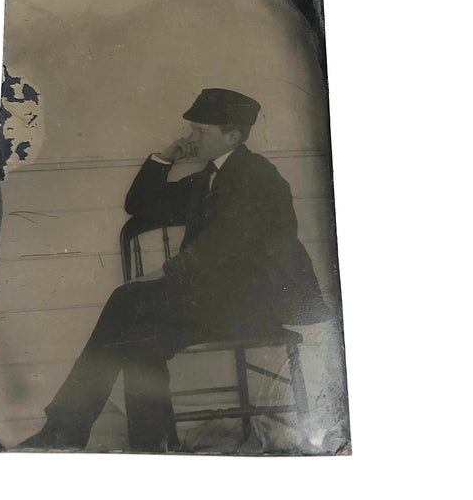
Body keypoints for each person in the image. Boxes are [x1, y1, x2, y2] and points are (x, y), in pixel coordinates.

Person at [18, 88, 330, 452]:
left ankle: (66, 429)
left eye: (200, 131)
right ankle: (152, 447)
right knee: (139, 340)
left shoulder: (258, 176)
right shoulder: (209, 177)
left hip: (259, 303)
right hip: (220, 300)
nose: (190, 137)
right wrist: (163, 159)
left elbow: (225, 241)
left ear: (232, 136)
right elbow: (141, 205)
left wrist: (165, 272)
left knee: (125, 299)